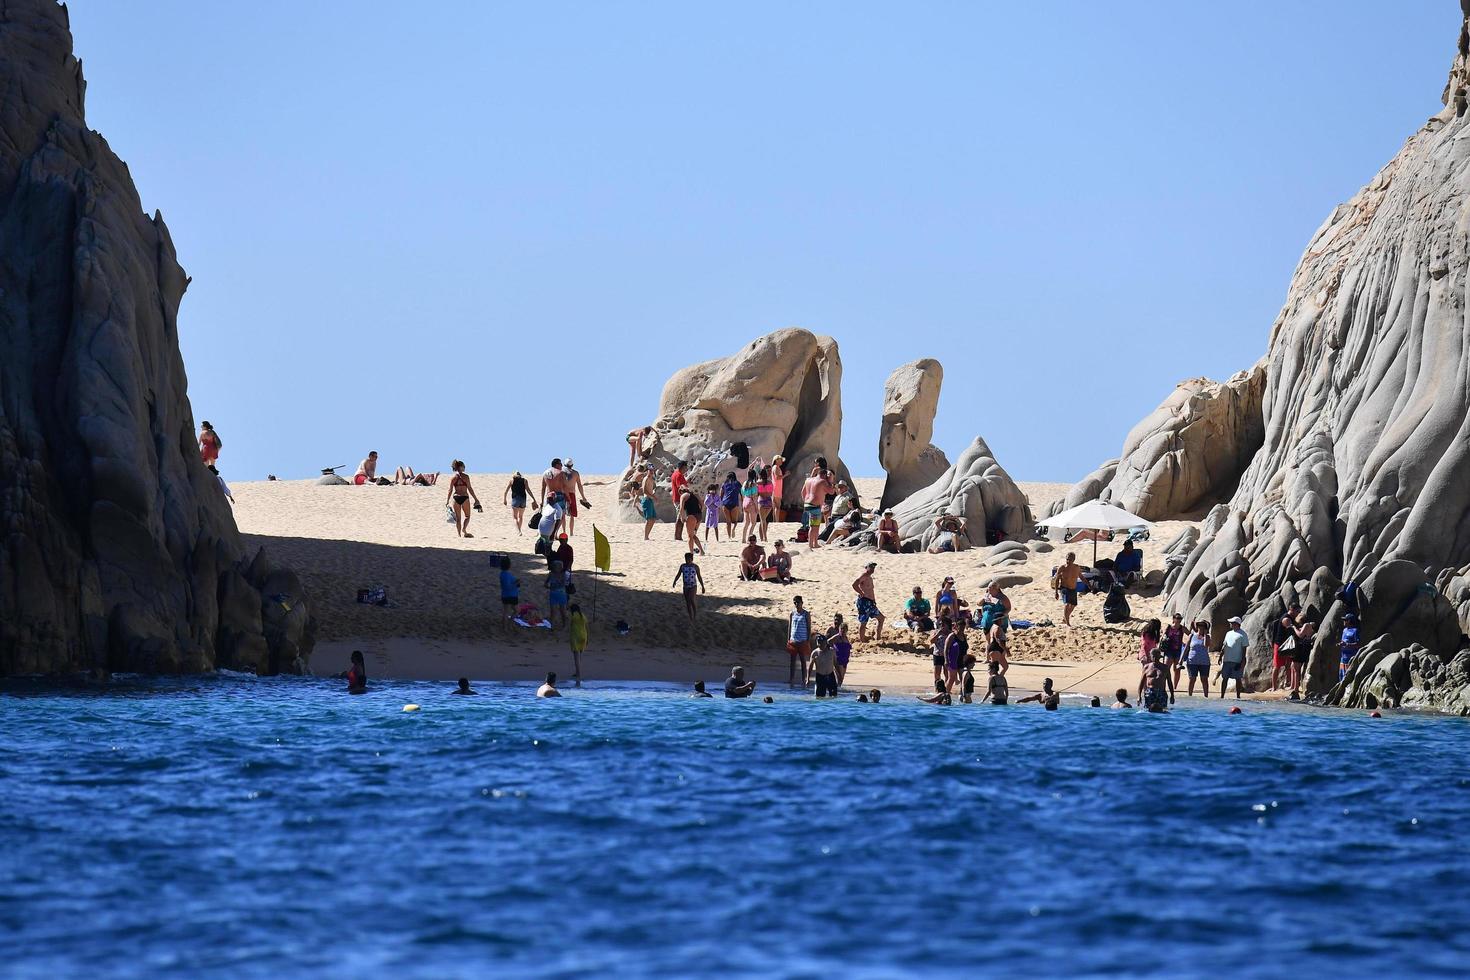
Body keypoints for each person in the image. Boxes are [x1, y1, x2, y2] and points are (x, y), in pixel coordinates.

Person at [446, 460, 481, 538]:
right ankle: (464, 529)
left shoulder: (453, 478)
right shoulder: (466, 477)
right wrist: (476, 499)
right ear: (460, 467)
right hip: (464, 497)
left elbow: (450, 490)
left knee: (458, 518)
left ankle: (459, 535)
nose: (464, 467)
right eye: (463, 466)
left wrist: (447, 500)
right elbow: (470, 488)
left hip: (456, 497)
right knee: (467, 516)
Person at [1271, 602, 1301, 691]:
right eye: (1297, 611)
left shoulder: (1292, 618)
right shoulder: (1286, 619)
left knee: (1289, 665)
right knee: (1277, 666)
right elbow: (1291, 631)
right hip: (1280, 645)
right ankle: (1274, 687)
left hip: (1288, 645)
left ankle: (1288, 683)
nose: (1298, 613)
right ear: (1291, 610)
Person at [801, 466, 831, 550]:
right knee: (815, 526)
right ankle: (812, 544)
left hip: (807, 504)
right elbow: (831, 491)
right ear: (824, 475)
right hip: (815, 506)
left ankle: (813, 543)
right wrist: (829, 481)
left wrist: (806, 501)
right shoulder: (822, 481)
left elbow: (802, 492)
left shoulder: (808, 480)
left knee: (812, 525)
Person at [853, 562, 885, 641]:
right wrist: (861, 592)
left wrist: (874, 600)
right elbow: (854, 584)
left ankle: (878, 638)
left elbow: (871, 590)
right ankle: (862, 640)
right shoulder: (864, 576)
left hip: (870, 603)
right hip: (864, 602)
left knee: (881, 618)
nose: (872, 569)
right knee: (863, 622)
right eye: (870, 567)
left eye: (873, 567)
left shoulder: (870, 578)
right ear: (866, 567)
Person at [1288, 612, 1316, 700]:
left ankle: (1296, 689)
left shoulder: (1306, 625)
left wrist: (1294, 628)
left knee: (1296, 669)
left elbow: (1300, 635)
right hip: (1302, 647)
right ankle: (1294, 687)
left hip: (1303, 648)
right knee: (1294, 666)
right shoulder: (1306, 625)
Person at [1219, 615, 1249, 700]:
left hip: (1237, 660)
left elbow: (1244, 648)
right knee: (1224, 678)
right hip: (1227, 659)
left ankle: (1238, 696)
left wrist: (1242, 660)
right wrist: (1221, 655)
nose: (1231, 624)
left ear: (1236, 624)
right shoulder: (1228, 633)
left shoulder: (1243, 635)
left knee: (1238, 678)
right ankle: (1222, 696)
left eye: (1232, 623)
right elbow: (1224, 645)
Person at [787, 595, 813, 687]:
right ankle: (791, 679)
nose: (796, 604)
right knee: (792, 661)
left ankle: (803, 679)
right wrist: (788, 639)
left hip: (802, 640)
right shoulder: (792, 613)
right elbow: (790, 627)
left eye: (798, 602)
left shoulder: (806, 614)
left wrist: (808, 640)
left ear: (802, 603)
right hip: (793, 640)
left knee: (802, 660)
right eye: (795, 602)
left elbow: (809, 628)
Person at [977, 581, 1011, 649]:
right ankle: (988, 658)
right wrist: (984, 598)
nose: (989, 589)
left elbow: (1008, 608)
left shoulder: (1002, 598)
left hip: (999, 622)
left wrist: (1003, 614)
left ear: (997, 589)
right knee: (988, 640)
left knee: (999, 641)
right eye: (989, 588)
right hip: (987, 622)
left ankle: (1000, 657)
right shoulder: (987, 596)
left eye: (991, 588)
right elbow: (978, 604)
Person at [1054, 552, 1085, 627]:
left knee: (1073, 605)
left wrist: (1089, 585)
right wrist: (1056, 592)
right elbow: (1057, 580)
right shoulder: (1062, 568)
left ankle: (1065, 618)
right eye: (1067, 559)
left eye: (1070, 559)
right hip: (1064, 588)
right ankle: (1068, 623)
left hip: (1073, 589)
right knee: (1067, 604)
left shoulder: (1076, 568)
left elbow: (1081, 577)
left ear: (1073, 560)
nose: (1068, 561)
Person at [673, 552, 704, 624]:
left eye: (689, 559)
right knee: (688, 602)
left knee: (692, 599)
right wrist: (675, 581)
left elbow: (699, 577)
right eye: (686, 559)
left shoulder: (695, 567)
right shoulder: (682, 566)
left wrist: (702, 586)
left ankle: (695, 614)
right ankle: (691, 617)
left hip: (693, 586)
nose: (687, 561)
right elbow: (678, 574)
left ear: (692, 559)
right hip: (685, 586)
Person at [541, 458, 570, 533]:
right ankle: (555, 532)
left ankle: (550, 532)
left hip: (549, 496)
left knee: (549, 515)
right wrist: (568, 497)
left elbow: (543, 488)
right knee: (560, 516)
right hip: (559, 495)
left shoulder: (545, 473)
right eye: (560, 464)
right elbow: (565, 486)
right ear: (557, 464)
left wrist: (541, 501)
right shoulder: (561, 473)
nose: (561, 466)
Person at [504, 471, 538, 536]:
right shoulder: (525, 481)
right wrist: (533, 499)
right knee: (521, 516)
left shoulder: (512, 481)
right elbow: (528, 490)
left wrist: (505, 499)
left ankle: (519, 531)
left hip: (515, 499)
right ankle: (519, 530)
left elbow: (506, 491)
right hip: (523, 500)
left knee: (515, 517)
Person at [562, 458, 589, 537]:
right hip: (572, 494)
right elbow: (579, 485)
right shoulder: (576, 473)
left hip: (563, 494)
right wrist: (583, 497)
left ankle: (564, 531)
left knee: (563, 514)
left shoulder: (561, 472)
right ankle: (571, 533)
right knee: (572, 515)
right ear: (572, 465)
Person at [1185, 620, 1212, 697]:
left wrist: (1206, 634)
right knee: (1192, 679)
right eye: (1199, 625)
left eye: (1203, 626)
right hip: (1192, 661)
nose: (1201, 627)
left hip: (1204, 661)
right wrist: (1180, 661)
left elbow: (1206, 645)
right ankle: (1189, 696)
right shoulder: (1192, 635)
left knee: (1204, 679)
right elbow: (1187, 648)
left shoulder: (1207, 637)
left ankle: (1206, 696)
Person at [1136, 618, 1161, 703]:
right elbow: (1144, 645)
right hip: (1145, 655)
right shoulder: (1146, 632)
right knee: (1146, 673)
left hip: (1151, 655)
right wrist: (1147, 656)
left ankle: (1148, 689)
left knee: (1149, 673)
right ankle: (1145, 690)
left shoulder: (1153, 633)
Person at [943, 619, 969, 694]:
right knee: (951, 679)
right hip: (953, 660)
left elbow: (965, 648)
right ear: (956, 627)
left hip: (962, 661)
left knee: (963, 679)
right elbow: (946, 648)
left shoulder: (964, 636)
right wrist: (946, 660)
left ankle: (963, 695)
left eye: (963, 628)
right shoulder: (952, 636)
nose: (962, 630)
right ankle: (945, 694)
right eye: (961, 628)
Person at [827, 613, 853, 688]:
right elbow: (827, 641)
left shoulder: (846, 638)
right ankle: (836, 691)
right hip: (838, 659)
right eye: (841, 630)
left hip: (845, 660)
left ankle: (838, 690)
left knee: (841, 679)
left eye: (844, 630)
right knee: (839, 677)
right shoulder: (836, 635)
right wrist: (831, 650)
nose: (843, 631)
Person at [1162, 612, 1187, 689]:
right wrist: (1164, 638)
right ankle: (1163, 685)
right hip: (1169, 650)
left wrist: (1186, 644)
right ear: (1173, 619)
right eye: (1177, 618)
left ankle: (1174, 687)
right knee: (1166, 669)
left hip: (1178, 651)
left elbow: (1190, 635)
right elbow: (1163, 636)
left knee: (1177, 669)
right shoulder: (1168, 627)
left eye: (1180, 619)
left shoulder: (1182, 628)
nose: (1179, 620)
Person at [810, 634, 839, 698]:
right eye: (819, 644)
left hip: (830, 676)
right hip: (820, 677)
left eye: (822, 644)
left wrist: (839, 676)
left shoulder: (831, 651)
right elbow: (810, 667)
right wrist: (807, 679)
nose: (821, 646)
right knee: (819, 697)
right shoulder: (815, 653)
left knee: (834, 696)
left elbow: (836, 664)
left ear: (826, 643)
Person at [679, 487, 705, 555]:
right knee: (693, 535)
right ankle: (701, 551)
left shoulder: (683, 496)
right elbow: (702, 505)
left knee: (690, 536)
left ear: (681, 491)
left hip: (691, 516)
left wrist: (682, 517)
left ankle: (691, 553)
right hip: (699, 515)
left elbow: (681, 508)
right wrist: (700, 512)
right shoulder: (695, 495)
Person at [929, 616, 952, 690]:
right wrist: (938, 634)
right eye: (940, 624)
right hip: (937, 654)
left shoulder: (951, 634)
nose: (941, 626)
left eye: (943, 624)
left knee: (946, 673)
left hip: (947, 655)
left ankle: (946, 688)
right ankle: (937, 688)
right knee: (937, 673)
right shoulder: (936, 632)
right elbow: (931, 641)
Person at [545, 560, 571, 628]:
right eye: (557, 567)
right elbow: (545, 583)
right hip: (554, 595)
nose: (559, 568)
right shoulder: (551, 574)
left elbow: (567, 583)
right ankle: (552, 626)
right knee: (553, 612)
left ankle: (564, 625)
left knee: (563, 612)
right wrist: (548, 586)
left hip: (561, 595)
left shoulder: (565, 574)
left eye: (560, 567)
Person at [499, 556, 519, 635]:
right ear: (509, 565)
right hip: (511, 595)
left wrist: (515, 582)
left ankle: (505, 627)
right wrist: (516, 583)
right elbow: (508, 586)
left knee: (506, 611)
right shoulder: (507, 575)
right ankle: (509, 625)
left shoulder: (502, 574)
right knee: (516, 610)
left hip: (505, 595)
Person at [670, 461, 690, 540]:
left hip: (677, 499)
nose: (686, 469)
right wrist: (687, 489)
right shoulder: (679, 475)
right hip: (679, 499)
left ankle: (678, 536)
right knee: (680, 518)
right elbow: (680, 487)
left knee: (680, 517)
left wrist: (687, 482)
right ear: (682, 467)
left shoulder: (676, 474)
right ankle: (677, 536)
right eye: (685, 467)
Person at [568, 603, 587, 686]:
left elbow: (570, 624)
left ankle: (578, 673)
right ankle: (577, 672)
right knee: (580, 655)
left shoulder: (573, 616)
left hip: (575, 636)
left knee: (576, 656)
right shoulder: (582, 615)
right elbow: (586, 625)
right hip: (584, 635)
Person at [1339, 612, 1361, 682]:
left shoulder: (1355, 631)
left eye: (1345, 620)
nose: (1344, 622)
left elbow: (1358, 644)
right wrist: (1340, 644)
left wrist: (1347, 644)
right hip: (1343, 657)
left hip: (1350, 657)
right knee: (1341, 675)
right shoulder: (1344, 630)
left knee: (1348, 676)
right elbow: (1344, 642)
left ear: (1349, 621)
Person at [720, 472, 743, 539]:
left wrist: (721, 503)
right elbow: (741, 494)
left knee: (728, 522)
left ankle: (729, 536)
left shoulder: (724, 484)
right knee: (735, 521)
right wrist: (742, 502)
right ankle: (733, 529)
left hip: (725, 503)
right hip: (734, 503)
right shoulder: (737, 483)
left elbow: (721, 494)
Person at [756, 469, 776, 540]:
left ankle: (764, 537)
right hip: (768, 501)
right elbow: (771, 493)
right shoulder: (770, 482)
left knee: (762, 520)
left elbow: (757, 493)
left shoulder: (758, 482)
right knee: (764, 520)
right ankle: (763, 537)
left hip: (761, 500)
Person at [740, 472, 761, 543]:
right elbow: (754, 497)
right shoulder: (754, 484)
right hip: (751, 503)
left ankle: (743, 538)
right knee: (753, 523)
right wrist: (757, 507)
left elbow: (742, 493)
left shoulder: (745, 483)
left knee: (746, 523)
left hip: (745, 501)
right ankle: (749, 538)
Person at [769, 455, 786, 521]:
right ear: (776, 460)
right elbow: (777, 477)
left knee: (775, 506)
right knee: (777, 506)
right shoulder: (776, 467)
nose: (781, 461)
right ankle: (777, 521)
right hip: (777, 488)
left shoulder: (775, 467)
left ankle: (775, 521)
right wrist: (785, 475)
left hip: (776, 488)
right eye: (780, 460)